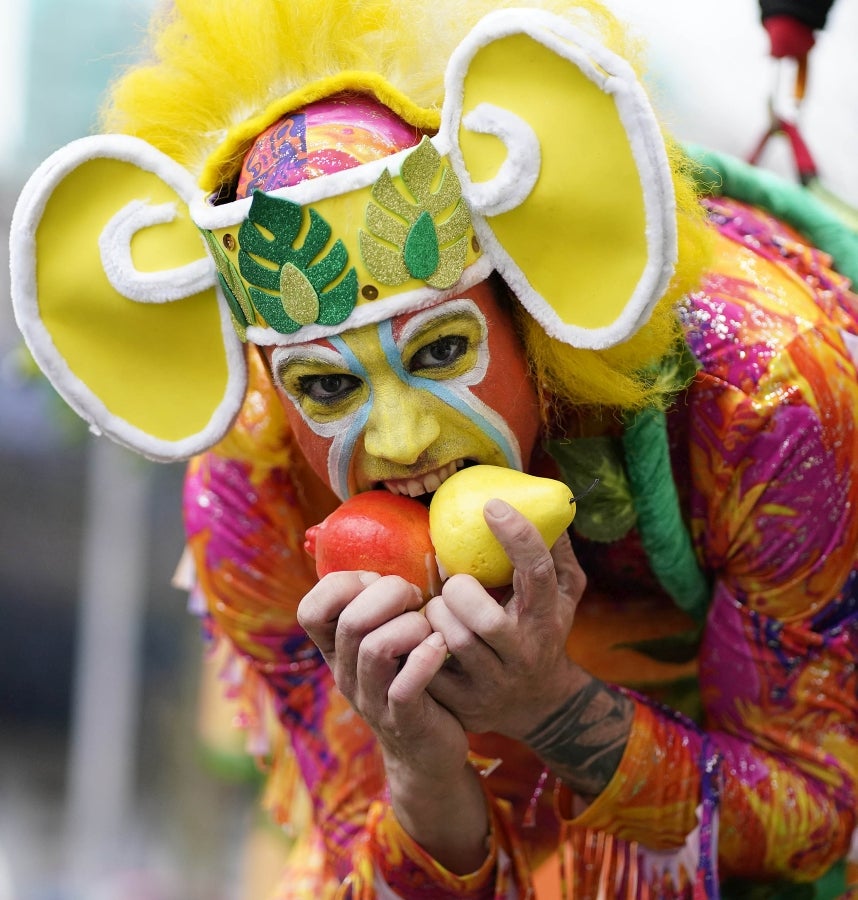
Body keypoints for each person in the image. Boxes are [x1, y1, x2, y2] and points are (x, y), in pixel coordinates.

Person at [9, 0, 858, 896]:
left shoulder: (763, 395)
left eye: (443, 351)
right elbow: (346, 860)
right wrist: (418, 773)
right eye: (329, 387)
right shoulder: (248, 493)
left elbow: (818, 817)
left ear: (530, 311)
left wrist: (555, 709)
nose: (402, 440)